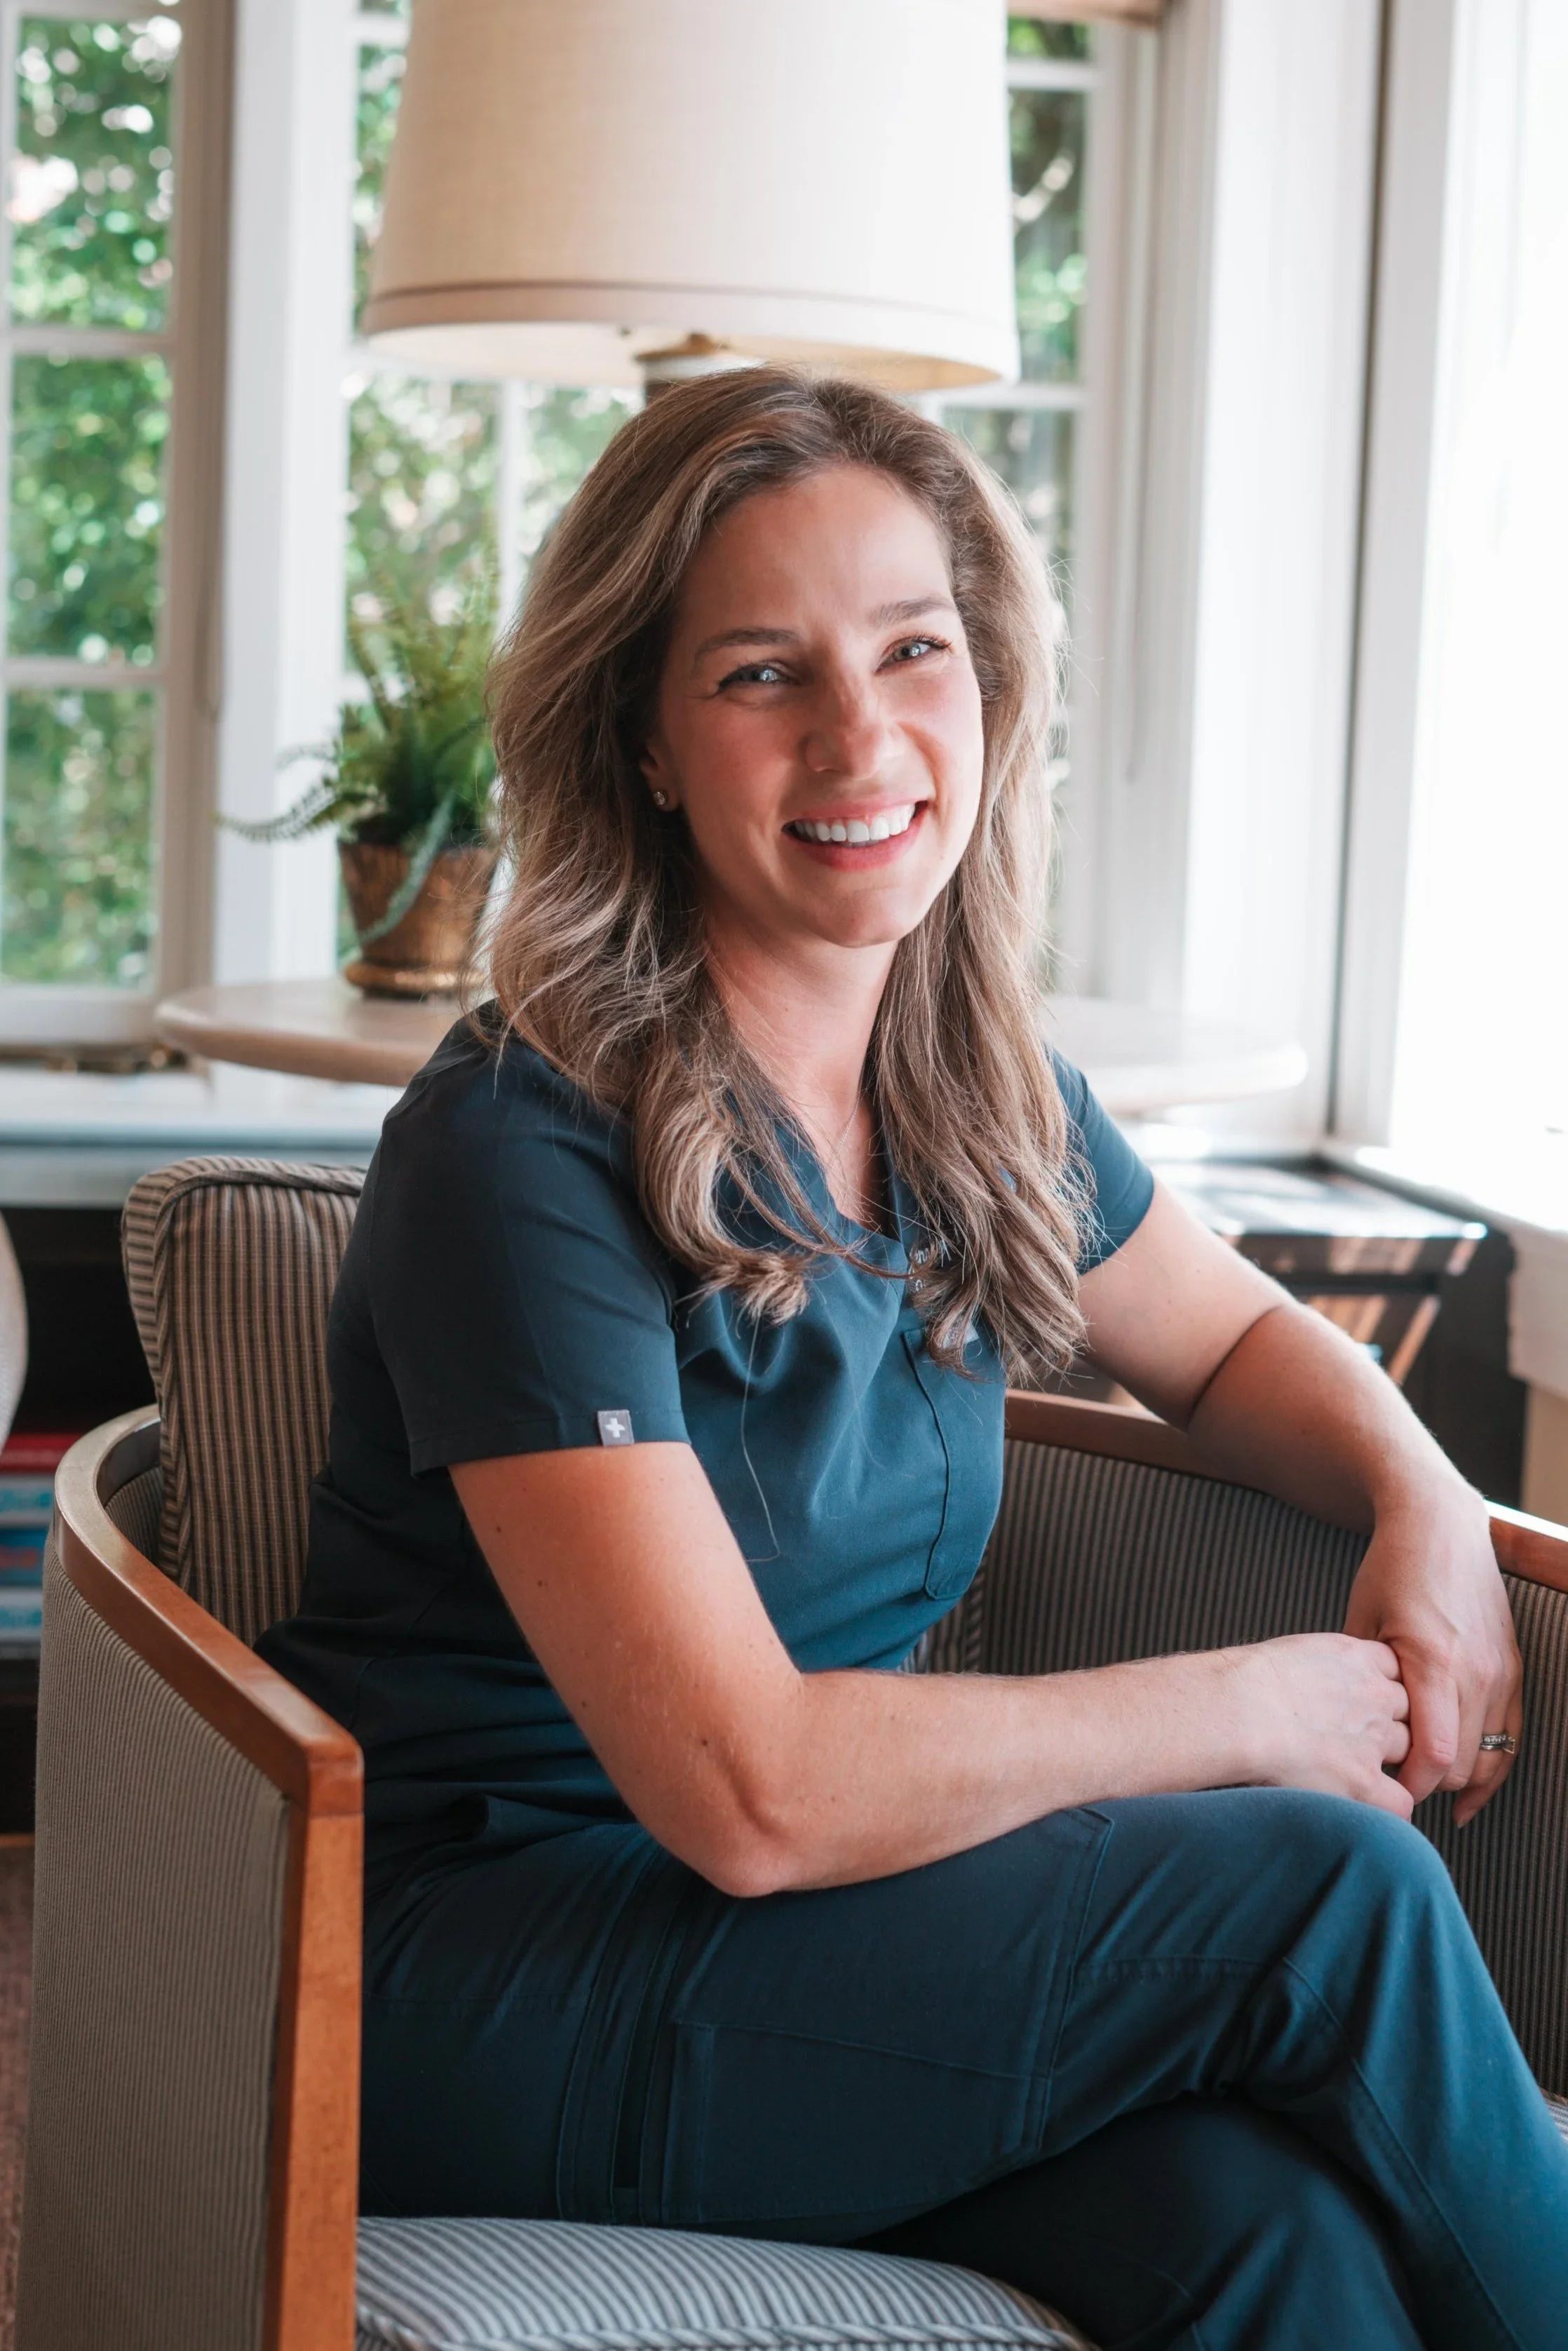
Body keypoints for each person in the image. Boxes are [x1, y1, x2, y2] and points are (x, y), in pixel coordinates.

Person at [260, 369, 1568, 2351]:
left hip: (789, 1946)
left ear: (991, 683)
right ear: (640, 736)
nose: (860, 737)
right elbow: (745, 1789)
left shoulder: (967, 1081)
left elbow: (1224, 1348)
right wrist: (1245, 1709)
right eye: (761, 674)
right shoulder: (516, 1150)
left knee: (1265, 2236)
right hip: (478, 1970)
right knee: (1329, 1892)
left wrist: (1419, 1499)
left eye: (912, 650)